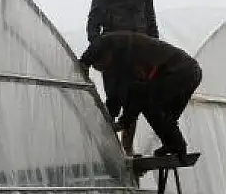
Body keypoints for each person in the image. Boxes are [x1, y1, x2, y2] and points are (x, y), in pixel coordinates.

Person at [78, 31, 201, 159]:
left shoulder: (127, 54)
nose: (102, 70)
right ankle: (173, 145)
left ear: (106, 55)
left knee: (153, 108)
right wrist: (112, 118)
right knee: (165, 115)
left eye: (100, 66)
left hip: (180, 72)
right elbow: (118, 95)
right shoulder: (121, 51)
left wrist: (123, 122)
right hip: (189, 71)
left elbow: (137, 96)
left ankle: (178, 147)